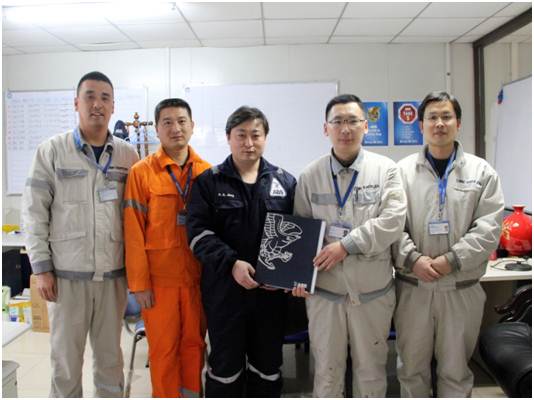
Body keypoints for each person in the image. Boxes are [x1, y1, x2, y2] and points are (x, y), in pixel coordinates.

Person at [21, 71, 139, 397]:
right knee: (66, 362)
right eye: (89, 97)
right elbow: (33, 213)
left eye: (104, 98)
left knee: (110, 361)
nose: (97, 104)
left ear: (113, 106)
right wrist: (41, 269)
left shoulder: (128, 156)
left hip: (113, 277)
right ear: (76, 103)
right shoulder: (51, 151)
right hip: (65, 279)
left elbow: (136, 218)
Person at [293, 94, 407, 397]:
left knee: (371, 371)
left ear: (365, 126)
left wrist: (346, 245)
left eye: (353, 121)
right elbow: (300, 232)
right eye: (338, 122)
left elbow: (393, 221)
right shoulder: (310, 176)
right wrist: (299, 276)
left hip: (372, 294)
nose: (345, 129)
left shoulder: (386, 170)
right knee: (327, 372)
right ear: (326, 128)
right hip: (325, 295)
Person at [393, 91, 504, 397]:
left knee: (455, 372)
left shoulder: (482, 173)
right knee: (411, 370)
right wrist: (413, 259)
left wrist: (451, 260)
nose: (439, 123)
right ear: (421, 125)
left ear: (458, 123)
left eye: (446, 116)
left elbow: (489, 228)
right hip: (414, 286)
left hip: (461, 287)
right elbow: (391, 224)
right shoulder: (401, 172)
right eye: (432, 117)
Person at [186, 106, 296, 397]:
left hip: (270, 296)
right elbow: (198, 235)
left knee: (267, 367)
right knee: (225, 369)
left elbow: (297, 236)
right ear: (228, 138)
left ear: (265, 138)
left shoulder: (285, 183)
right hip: (224, 293)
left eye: (255, 135)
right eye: (241, 135)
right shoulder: (208, 182)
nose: (249, 143)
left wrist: (288, 276)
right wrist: (231, 263)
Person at [123, 98, 210, 397]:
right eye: (168, 122)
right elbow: (133, 231)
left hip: (198, 281)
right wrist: (139, 284)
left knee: (194, 347)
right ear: (157, 130)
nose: (176, 128)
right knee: (163, 352)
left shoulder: (207, 173)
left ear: (192, 126)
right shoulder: (141, 173)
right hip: (159, 285)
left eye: (182, 121)